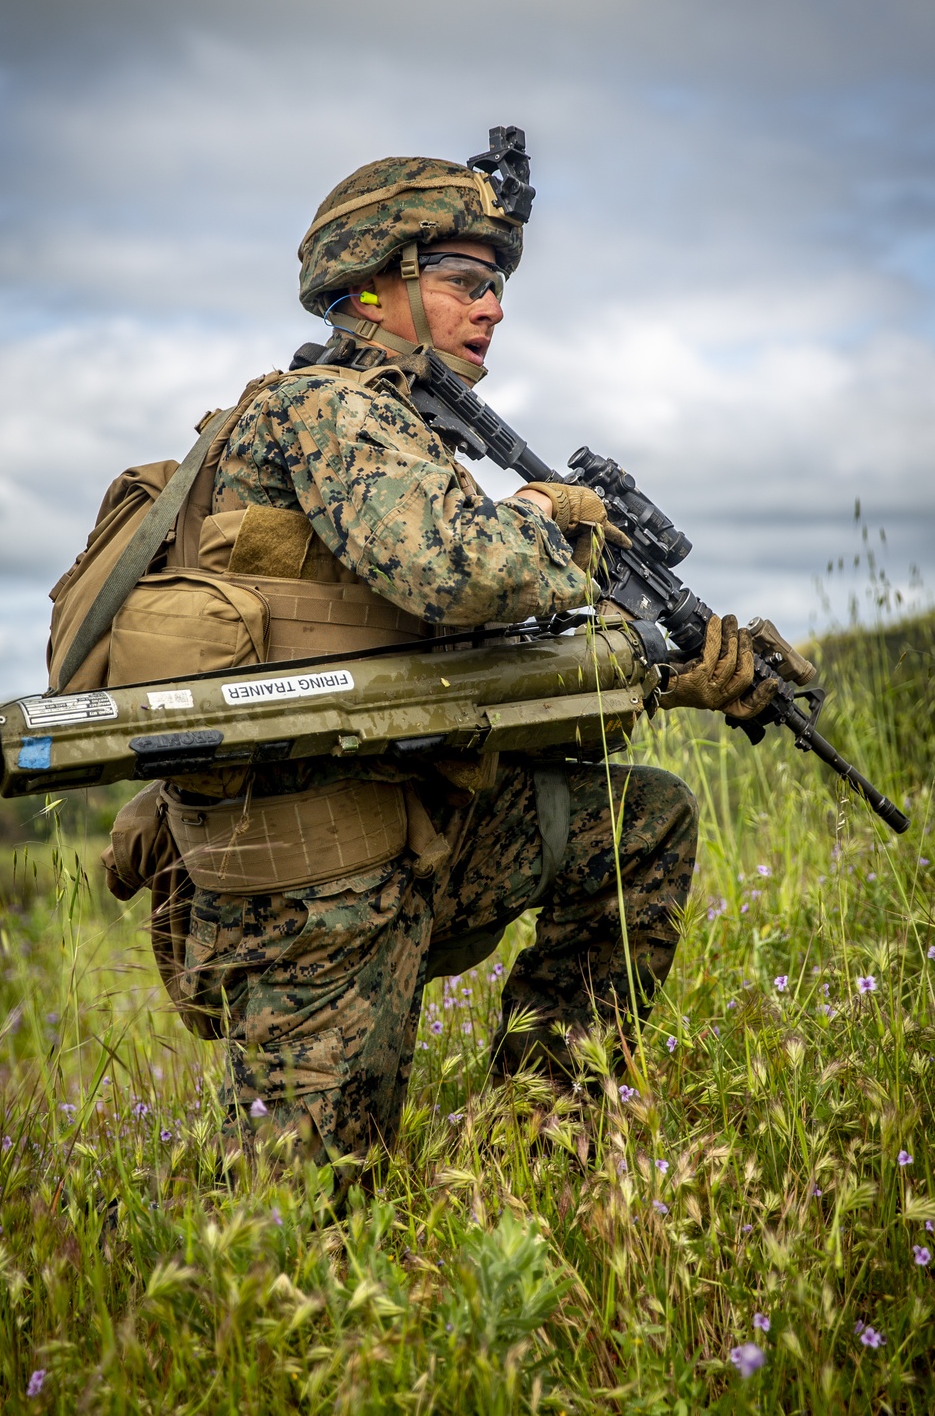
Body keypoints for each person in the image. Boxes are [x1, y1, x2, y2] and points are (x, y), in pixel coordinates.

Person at [148, 132, 773, 1169]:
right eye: (465, 281)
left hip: (394, 828)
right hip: (313, 872)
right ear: (375, 286)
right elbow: (460, 574)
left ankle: (541, 1137)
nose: (492, 307)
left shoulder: (396, 433)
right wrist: (547, 515)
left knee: (640, 821)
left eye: (496, 288)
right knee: (296, 1224)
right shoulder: (327, 411)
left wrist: (669, 673)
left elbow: (471, 648)